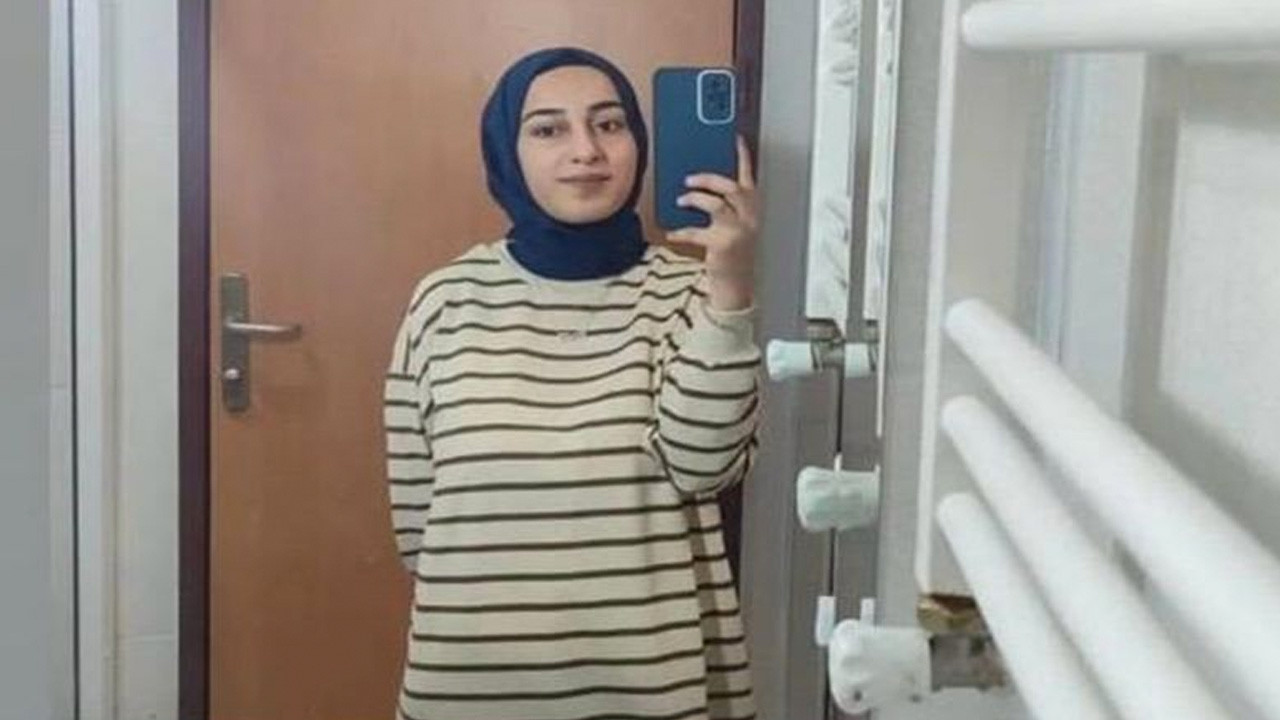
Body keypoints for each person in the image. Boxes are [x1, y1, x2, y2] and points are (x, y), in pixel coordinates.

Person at [383, 46, 760, 720]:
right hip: (473, 681)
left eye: (609, 124)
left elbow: (703, 465)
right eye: (548, 128)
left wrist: (730, 286)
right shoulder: (446, 300)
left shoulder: (691, 291)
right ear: (508, 151)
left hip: (647, 678)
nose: (586, 150)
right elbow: (418, 521)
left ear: (638, 142)